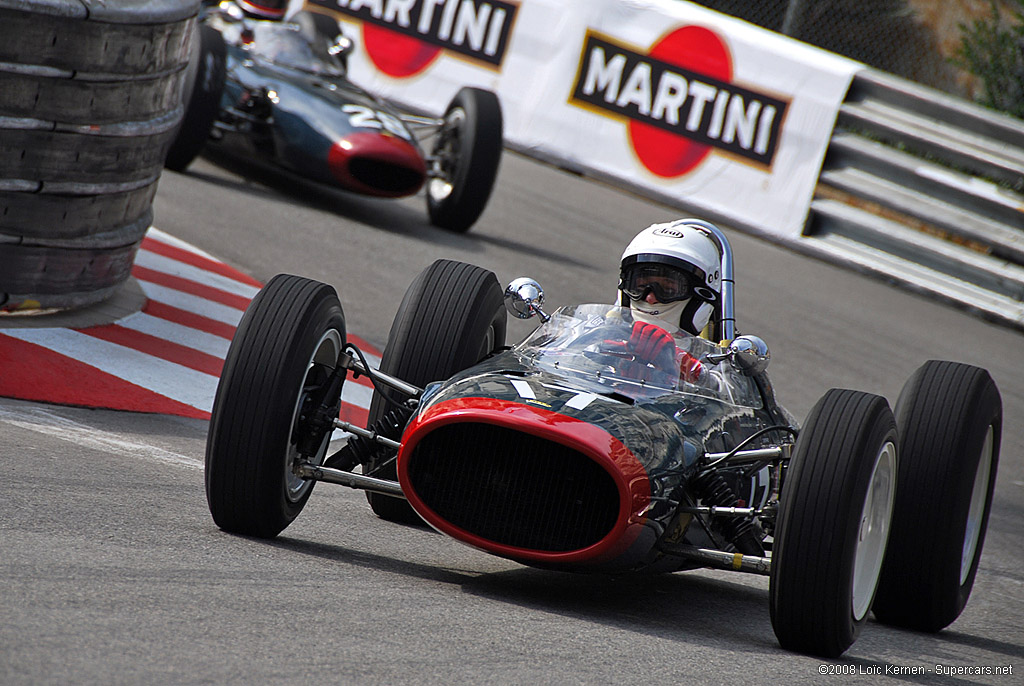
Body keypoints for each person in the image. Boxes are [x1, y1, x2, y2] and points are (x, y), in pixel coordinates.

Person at [617, 220, 723, 385]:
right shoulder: (599, 330)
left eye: (667, 288)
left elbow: (738, 398)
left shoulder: (722, 356)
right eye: (642, 285)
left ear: (701, 293)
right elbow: (566, 359)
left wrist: (684, 366)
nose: (650, 298)